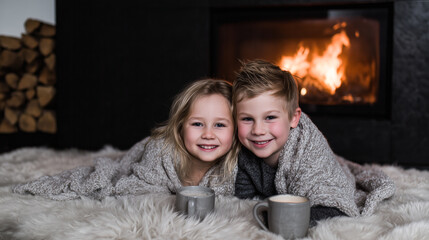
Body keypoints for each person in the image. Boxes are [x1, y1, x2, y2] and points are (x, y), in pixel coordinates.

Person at [12, 78, 240, 200]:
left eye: (220, 125)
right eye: (197, 124)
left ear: (236, 130)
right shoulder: (160, 151)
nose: (208, 134)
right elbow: (134, 186)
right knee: (120, 167)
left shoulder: (238, 163)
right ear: (180, 126)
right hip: (146, 150)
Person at [232, 59, 395, 225]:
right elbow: (243, 200)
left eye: (270, 117)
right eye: (247, 119)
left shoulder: (306, 154)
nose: (258, 130)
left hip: (321, 175)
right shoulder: (243, 152)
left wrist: (282, 220)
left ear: (293, 118)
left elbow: (337, 209)